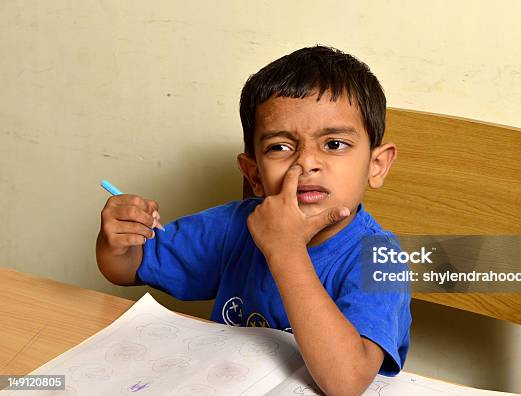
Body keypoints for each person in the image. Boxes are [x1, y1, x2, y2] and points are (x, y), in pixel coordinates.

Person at [96, 45, 411, 395]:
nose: (306, 163)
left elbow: (346, 382)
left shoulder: (381, 258)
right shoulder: (233, 225)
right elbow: (129, 268)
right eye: (280, 147)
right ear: (254, 174)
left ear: (376, 165)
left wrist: (285, 249)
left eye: (334, 144)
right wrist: (118, 238)